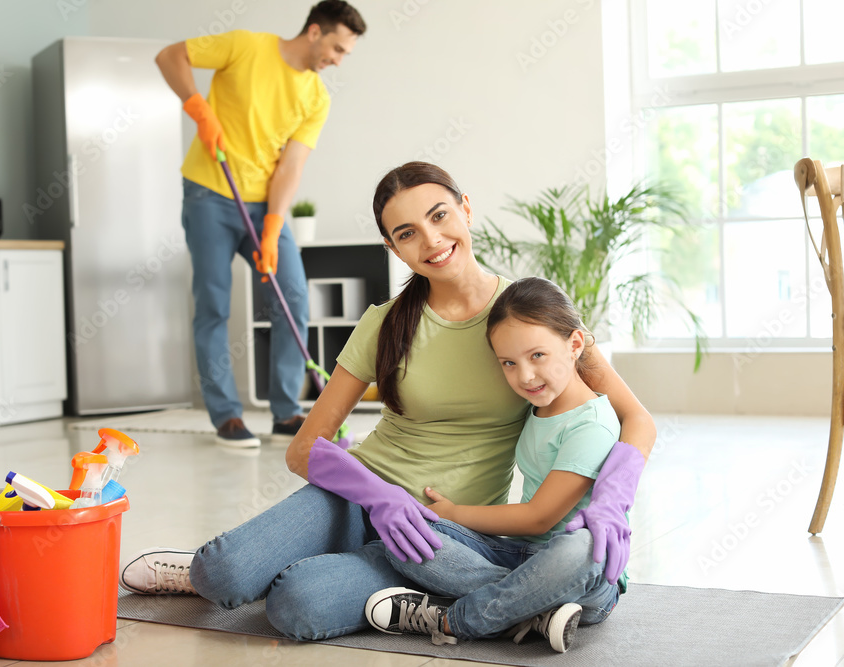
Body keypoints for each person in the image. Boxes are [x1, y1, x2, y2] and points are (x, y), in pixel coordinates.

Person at [118, 162, 653, 644]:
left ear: (466, 210)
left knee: (298, 606)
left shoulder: (527, 316)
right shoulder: (383, 322)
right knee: (223, 574)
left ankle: (411, 587)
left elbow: (634, 418)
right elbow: (306, 447)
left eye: (440, 216)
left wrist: (609, 500)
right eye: (407, 234)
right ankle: (525, 601)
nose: (432, 240)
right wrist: (380, 498)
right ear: (393, 248)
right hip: (357, 498)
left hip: (443, 529)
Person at [364, 276, 628, 653]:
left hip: (585, 578)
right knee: (404, 531)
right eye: (509, 362)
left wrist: (455, 513)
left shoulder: (592, 423)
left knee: (582, 548)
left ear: (574, 344)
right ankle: (531, 609)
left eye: (537, 355)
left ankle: (453, 619)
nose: (525, 376)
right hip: (521, 556)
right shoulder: (537, 406)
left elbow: (540, 517)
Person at [155, 1, 366, 447]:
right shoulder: (245, 46)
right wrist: (198, 106)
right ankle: (226, 416)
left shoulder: (316, 97)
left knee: (292, 297)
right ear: (314, 31)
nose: (338, 60)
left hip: (263, 204)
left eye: (346, 54)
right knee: (213, 303)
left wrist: (272, 228)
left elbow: (290, 167)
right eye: (337, 48)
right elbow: (170, 56)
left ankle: (286, 411)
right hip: (210, 192)